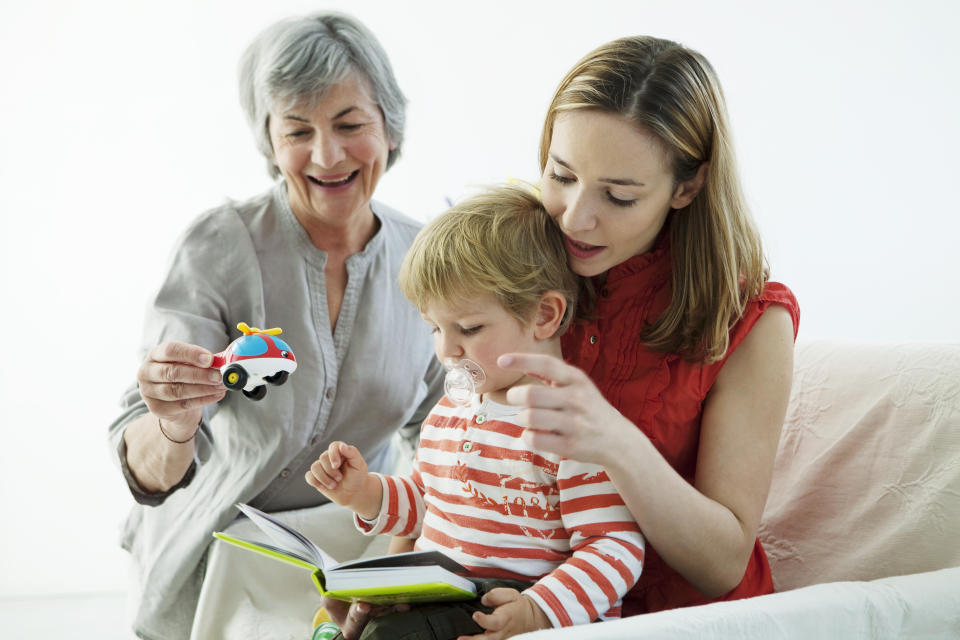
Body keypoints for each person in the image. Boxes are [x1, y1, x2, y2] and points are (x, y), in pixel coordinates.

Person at [106, 12, 443, 640]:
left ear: (390, 130)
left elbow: (449, 441)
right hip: (215, 567)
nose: (326, 155)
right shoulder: (218, 246)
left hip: (357, 558)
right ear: (269, 142)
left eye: (350, 125)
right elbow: (149, 471)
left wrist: (396, 565)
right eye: (297, 130)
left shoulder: (428, 259)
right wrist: (174, 423)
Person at [497, 36, 800, 616]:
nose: (577, 217)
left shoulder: (752, 319)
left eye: (618, 196)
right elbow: (451, 449)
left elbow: (723, 564)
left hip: (683, 622)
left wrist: (614, 441)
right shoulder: (517, 267)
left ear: (687, 187)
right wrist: (381, 587)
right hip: (527, 611)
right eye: (561, 175)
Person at [306, 185, 646, 639]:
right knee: (342, 607)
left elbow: (615, 546)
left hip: (515, 604)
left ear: (544, 315)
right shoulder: (449, 413)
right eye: (434, 328)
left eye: (468, 328)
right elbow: (427, 504)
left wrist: (537, 610)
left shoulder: (571, 427)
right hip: (441, 590)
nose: (446, 349)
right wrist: (363, 492)